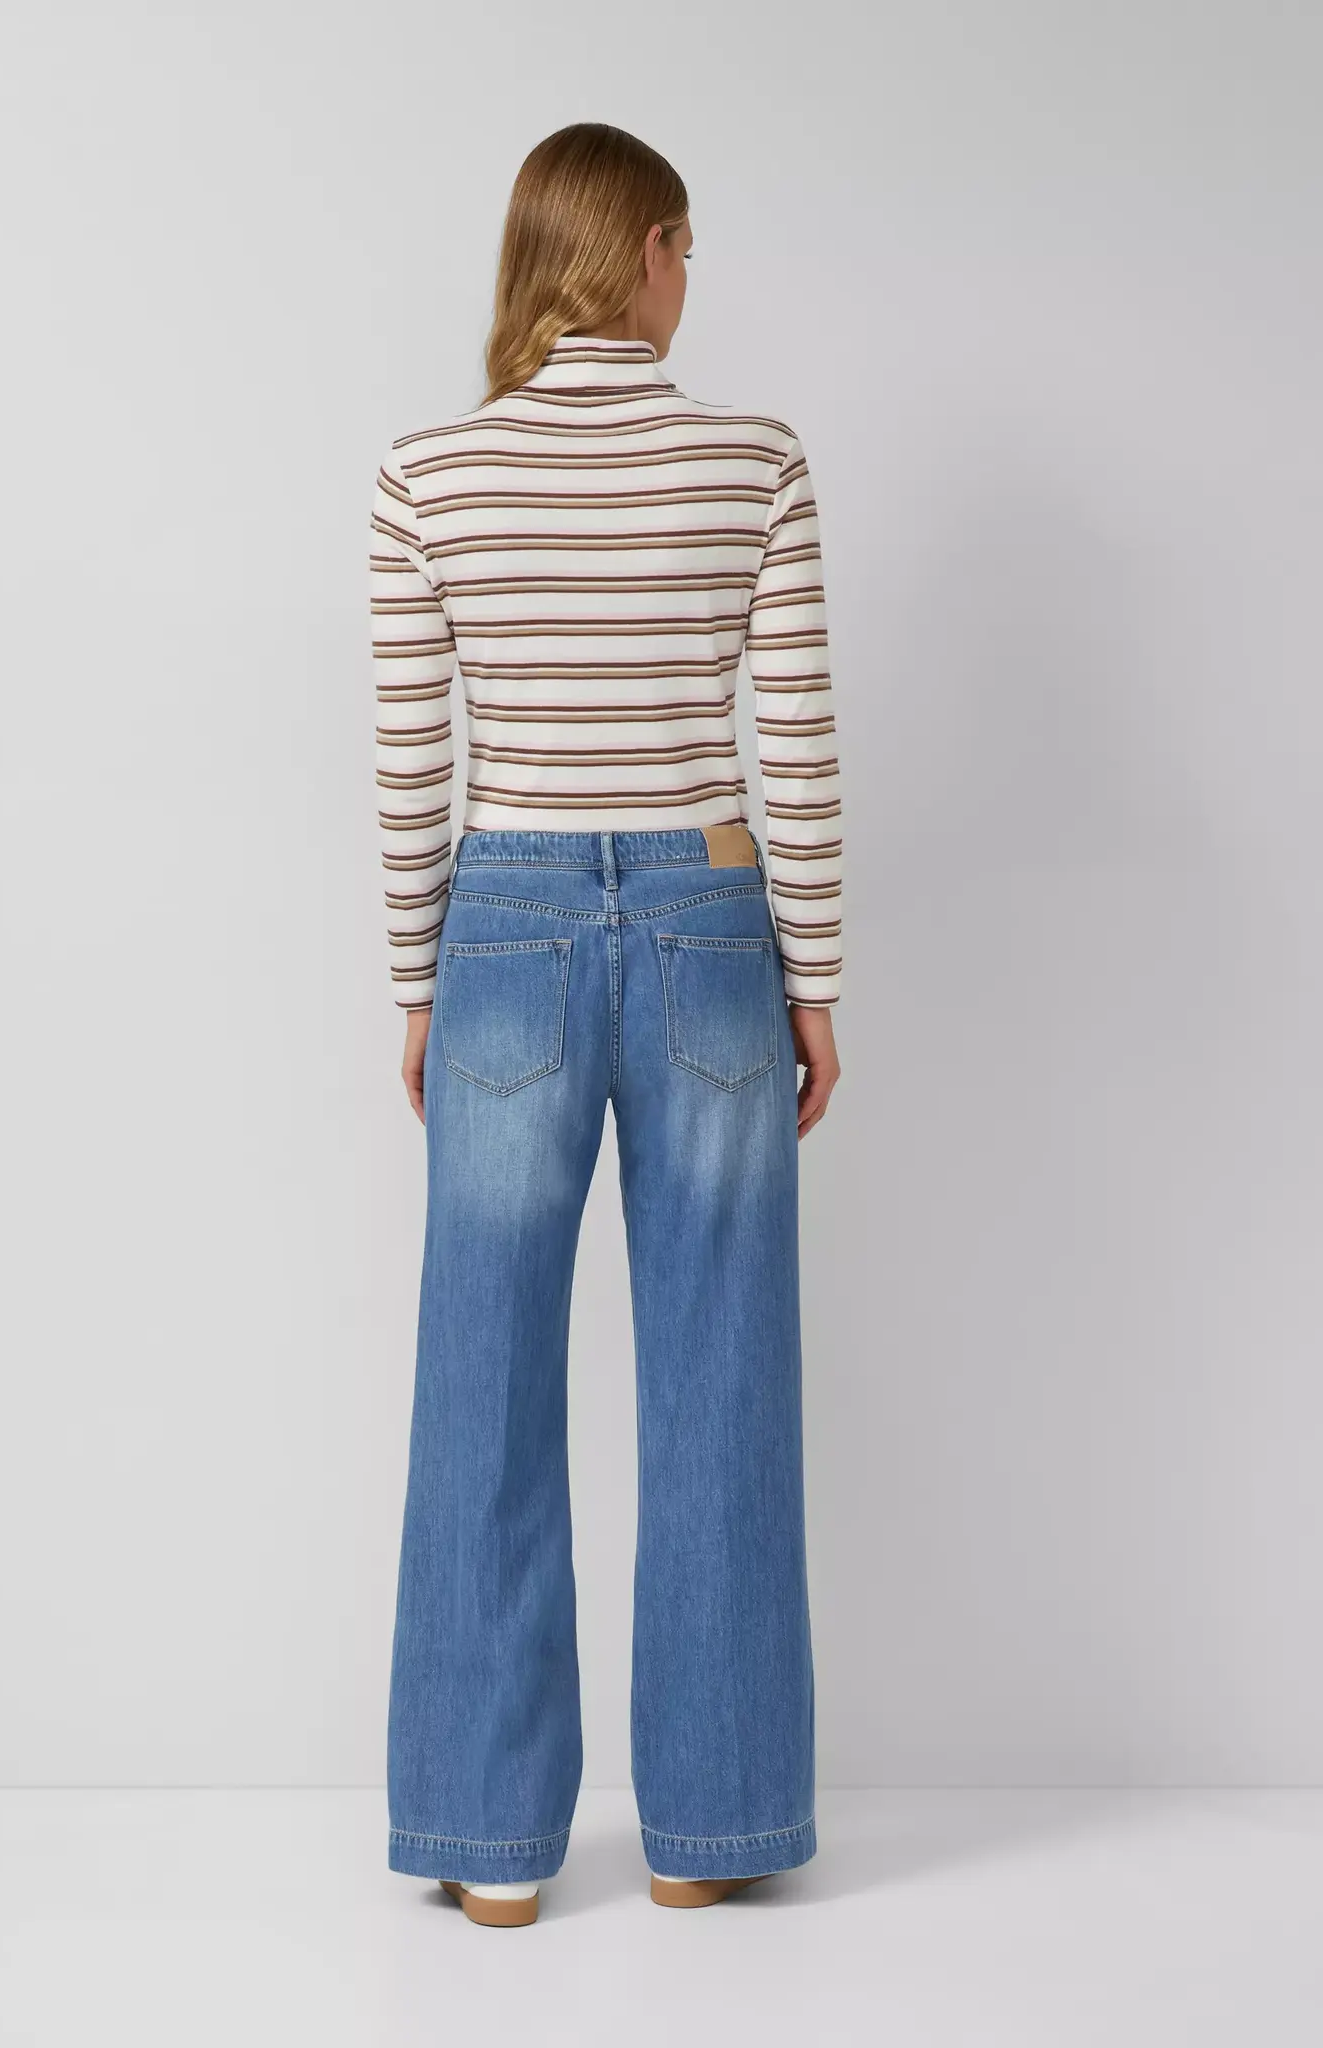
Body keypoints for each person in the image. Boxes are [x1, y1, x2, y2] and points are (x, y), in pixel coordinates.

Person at [369, 121, 841, 1928]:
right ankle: (711, 1839)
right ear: (640, 250)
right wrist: (814, 981)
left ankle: (488, 1856)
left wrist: (420, 984)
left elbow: (414, 765)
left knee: (479, 1384)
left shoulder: (431, 473)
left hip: (505, 927)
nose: (690, 277)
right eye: (685, 247)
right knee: (722, 1379)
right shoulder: (754, 460)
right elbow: (795, 743)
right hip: (713, 927)